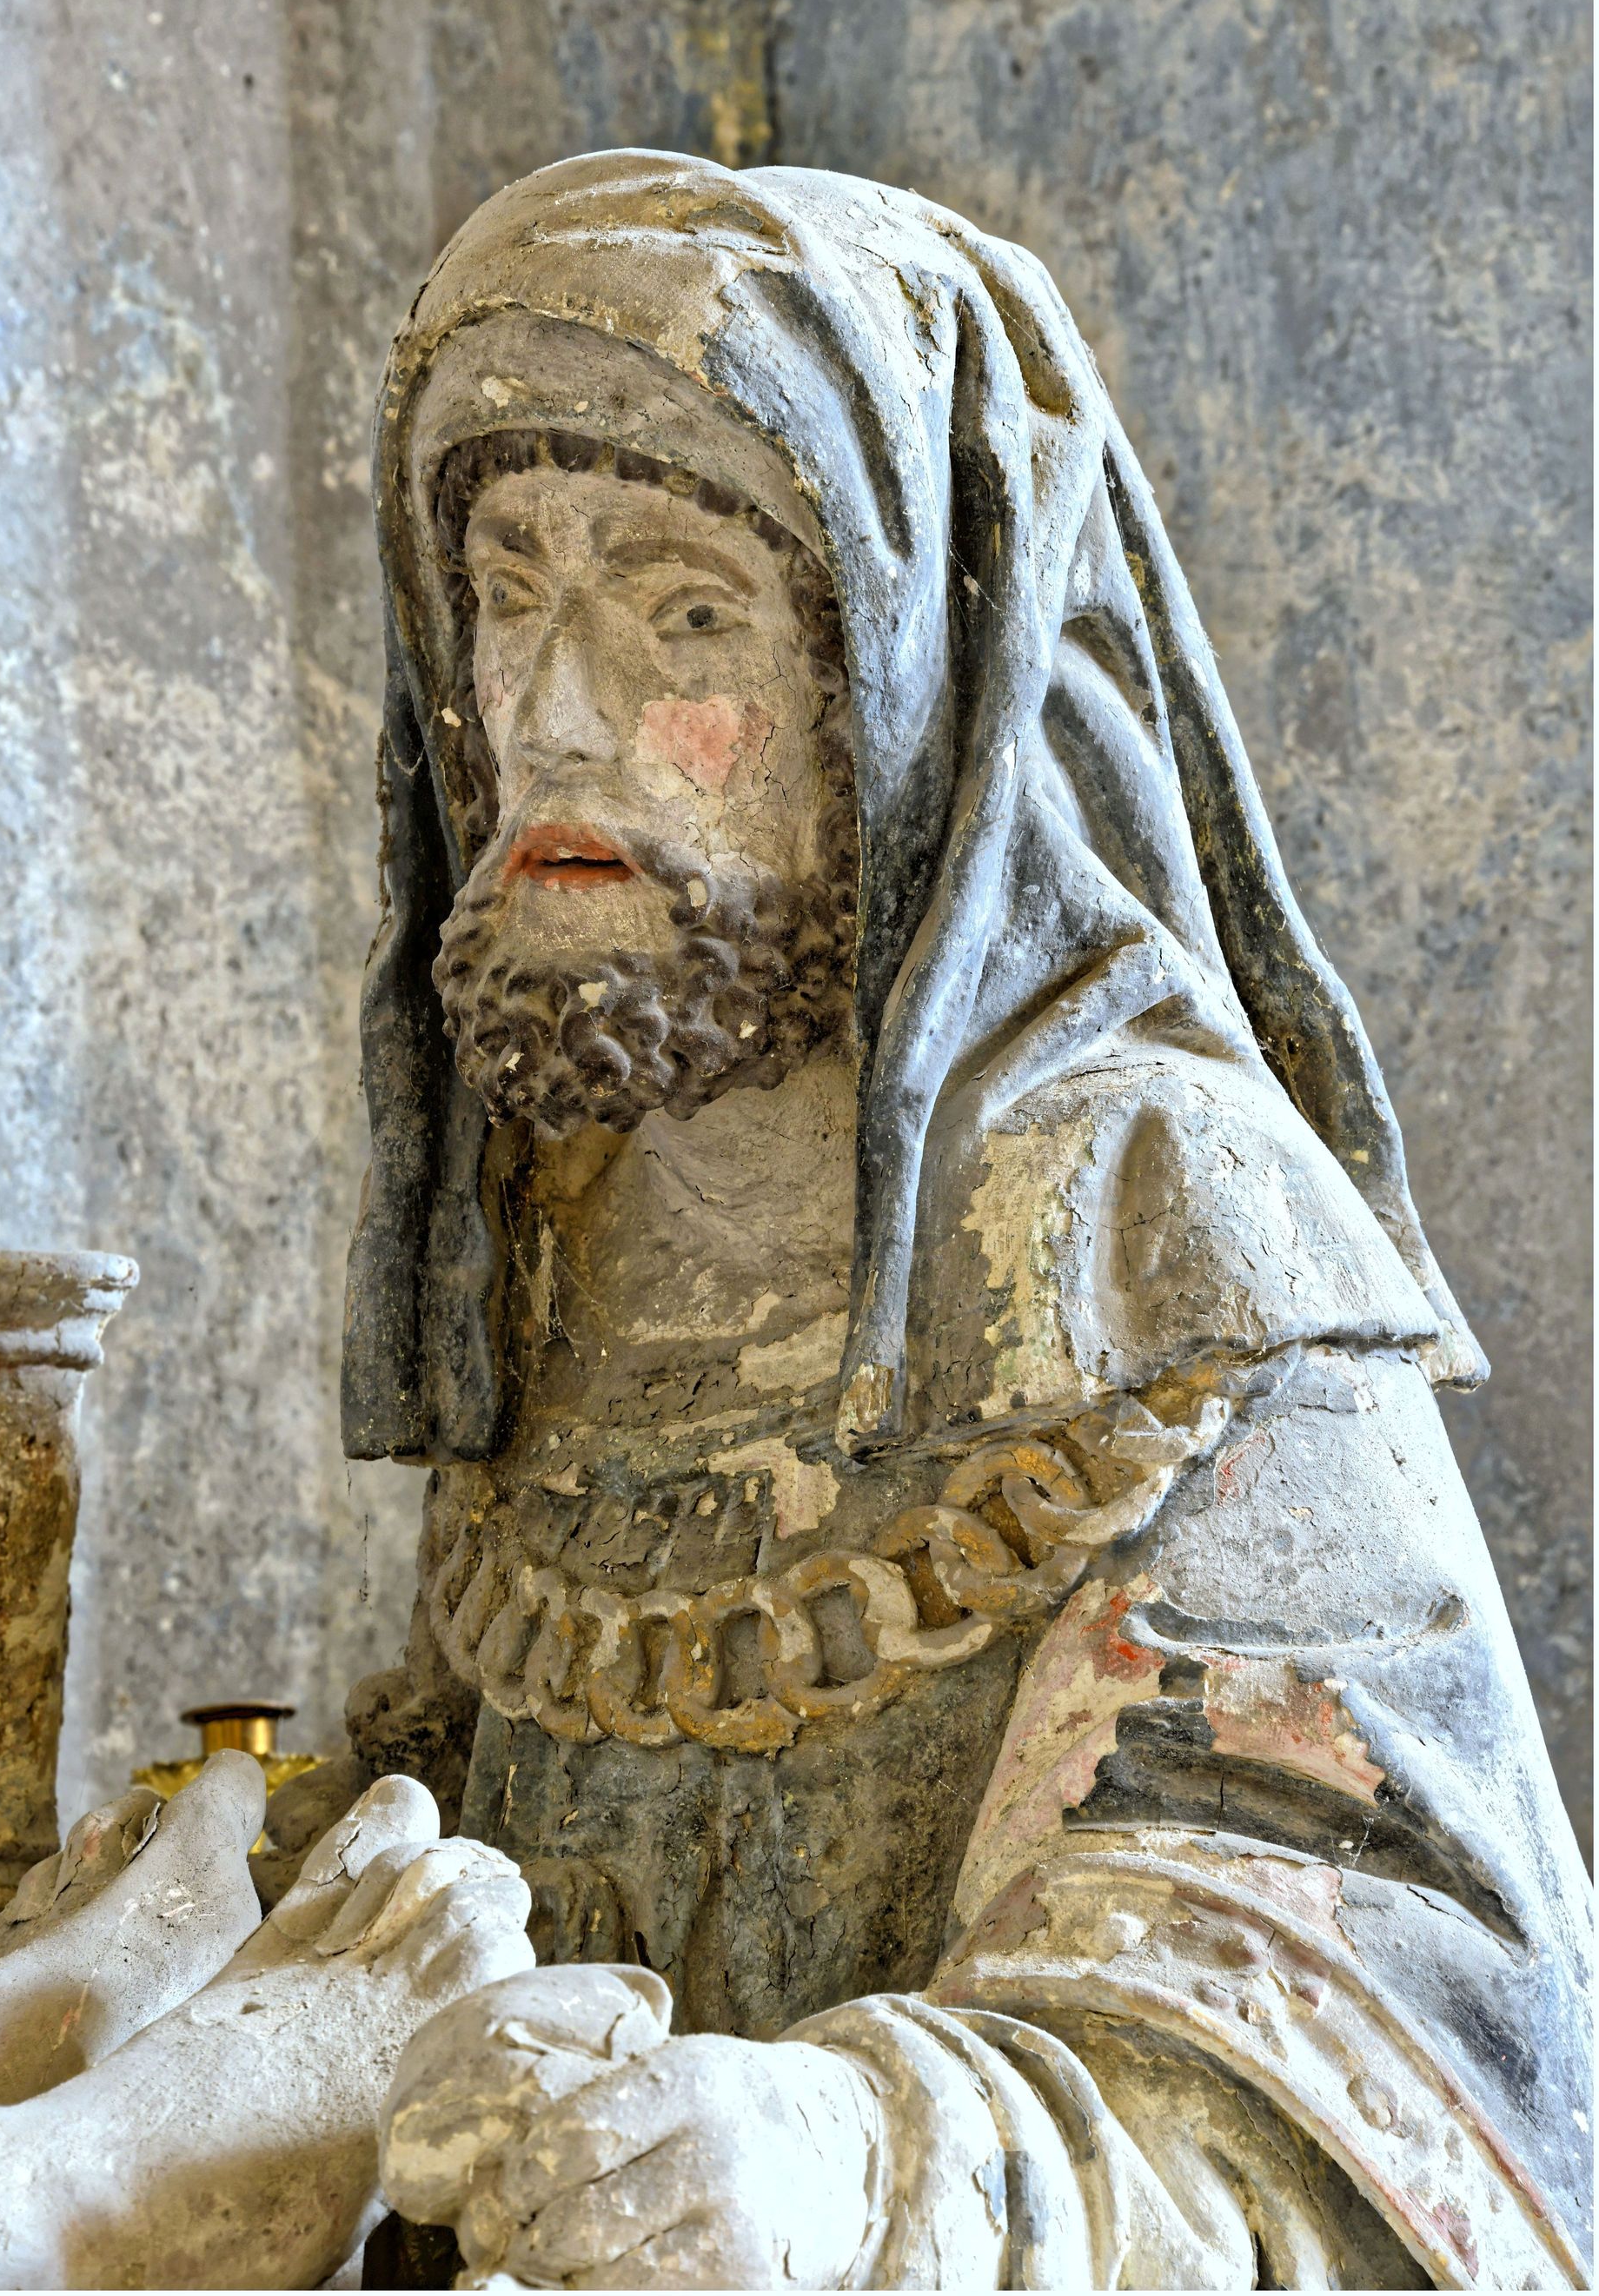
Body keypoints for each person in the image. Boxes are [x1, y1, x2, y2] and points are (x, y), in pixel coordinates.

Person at [317, 151, 1590, 2288]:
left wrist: (857, 2154)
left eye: (682, 610)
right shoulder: (579, 1197)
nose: (549, 708)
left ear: (907, 671)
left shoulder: (1156, 1220)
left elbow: (1415, 2064)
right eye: (508, 581)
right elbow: (514, 1822)